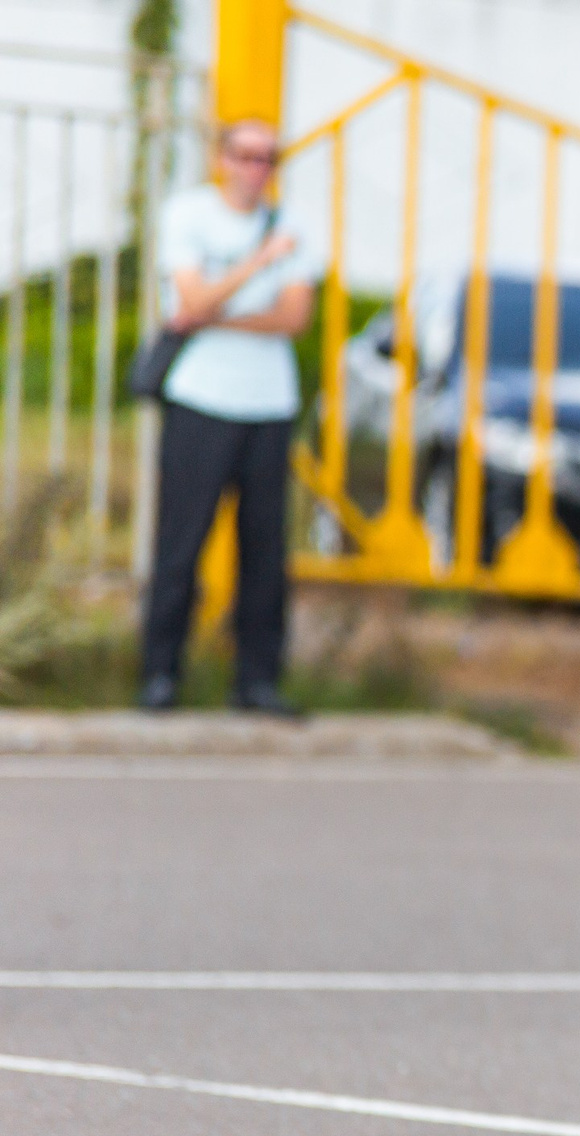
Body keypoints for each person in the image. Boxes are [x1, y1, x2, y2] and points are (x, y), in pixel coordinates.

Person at [138, 118, 325, 715]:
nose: (256, 169)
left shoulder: (292, 226)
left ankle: (257, 680)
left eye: (268, 158)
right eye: (246, 156)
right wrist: (258, 265)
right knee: (181, 542)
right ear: (222, 159)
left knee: (265, 550)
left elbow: (293, 318)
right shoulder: (191, 216)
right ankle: (161, 674)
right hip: (201, 399)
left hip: (269, 403)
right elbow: (188, 299)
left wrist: (216, 314)